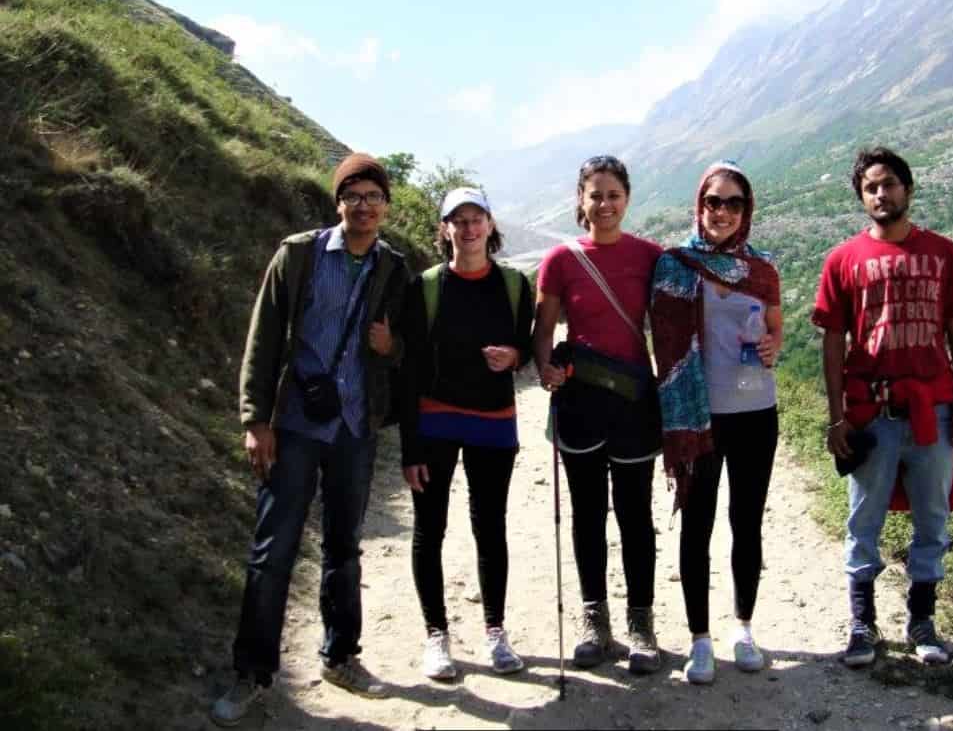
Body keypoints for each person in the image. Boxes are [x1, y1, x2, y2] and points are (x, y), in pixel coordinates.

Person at [212, 153, 409, 726]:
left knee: (344, 548)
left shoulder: (392, 268)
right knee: (273, 550)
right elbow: (263, 336)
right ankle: (252, 672)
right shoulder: (297, 255)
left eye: (375, 197)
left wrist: (388, 347)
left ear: (387, 206)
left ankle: (341, 655)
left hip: (353, 428)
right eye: (355, 196)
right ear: (338, 202)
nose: (365, 206)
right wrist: (255, 420)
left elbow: (403, 350)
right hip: (294, 424)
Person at [811, 147, 953, 668]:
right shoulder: (843, 260)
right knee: (864, 521)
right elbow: (834, 342)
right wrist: (837, 416)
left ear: (908, 187)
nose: (880, 194)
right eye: (870, 188)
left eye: (888, 184)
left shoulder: (945, 254)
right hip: (873, 413)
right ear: (862, 197)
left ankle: (922, 623)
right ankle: (862, 624)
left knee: (932, 521)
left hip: (935, 410)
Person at [651, 161, 783, 685]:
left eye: (733, 203)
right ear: (698, 206)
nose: (722, 212)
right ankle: (699, 640)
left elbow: (775, 334)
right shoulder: (675, 264)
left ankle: (744, 628)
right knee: (697, 526)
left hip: (755, 412)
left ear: (746, 210)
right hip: (699, 418)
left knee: (747, 522)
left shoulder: (763, 269)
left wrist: (774, 345)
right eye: (713, 201)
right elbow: (660, 336)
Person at [533, 155, 664, 674]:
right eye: (595, 195)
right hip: (580, 401)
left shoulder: (652, 257)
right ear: (581, 201)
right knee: (587, 514)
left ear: (626, 198)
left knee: (636, 516)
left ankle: (641, 624)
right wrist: (546, 370)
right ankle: (595, 621)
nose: (604, 205)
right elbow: (543, 330)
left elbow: (669, 330)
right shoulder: (560, 261)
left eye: (613, 194)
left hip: (633, 401)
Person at [398, 187, 534, 681]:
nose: (469, 228)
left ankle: (495, 632)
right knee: (429, 529)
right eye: (458, 220)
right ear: (445, 229)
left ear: (491, 226)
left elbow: (527, 347)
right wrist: (409, 445)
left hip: (494, 422)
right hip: (435, 421)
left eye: (477, 218)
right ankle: (437, 636)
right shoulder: (425, 288)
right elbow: (409, 369)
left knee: (490, 527)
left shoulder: (517, 286)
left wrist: (515, 357)